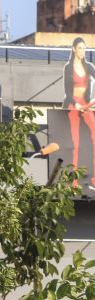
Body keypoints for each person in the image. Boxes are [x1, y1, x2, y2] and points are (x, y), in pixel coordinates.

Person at [63, 37, 95, 189]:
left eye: (84, 48)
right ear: (74, 49)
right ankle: (74, 180)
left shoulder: (88, 67)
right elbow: (67, 92)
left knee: (94, 137)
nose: (83, 51)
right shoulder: (68, 68)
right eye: (80, 48)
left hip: (86, 104)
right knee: (75, 143)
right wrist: (75, 104)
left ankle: (94, 177)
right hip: (73, 105)